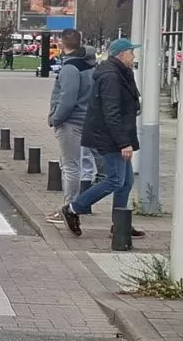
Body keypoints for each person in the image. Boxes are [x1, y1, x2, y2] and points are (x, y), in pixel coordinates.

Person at [60, 38, 144, 238]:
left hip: (116, 134)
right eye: (131, 53)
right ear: (121, 54)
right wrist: (124, 143)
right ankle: (73, 208)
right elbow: (111, 112)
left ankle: (120, 224)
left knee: (126, 181)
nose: (134, 56)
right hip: (109, 137)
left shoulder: (122, 73)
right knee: (115, 180)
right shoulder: (111, 77)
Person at [46, 30, 96, 223]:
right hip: (86, 119)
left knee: (70, 166)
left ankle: (69, 208)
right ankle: (75, 205)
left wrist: (55, 118)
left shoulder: (70, 68)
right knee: (80, 165)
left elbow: (67, 99)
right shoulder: (88, 65)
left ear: (61, 43)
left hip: (71, 122)